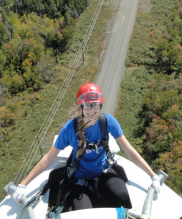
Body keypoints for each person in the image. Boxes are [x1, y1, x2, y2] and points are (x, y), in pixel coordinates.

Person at [12, 83, 160, 211]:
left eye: (95, 105)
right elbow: (48, 158)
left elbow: (129, 151)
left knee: (122, 195)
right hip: (80, 178)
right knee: (84, 213)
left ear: (100, 105)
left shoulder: (108, 122)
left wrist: (152, 176)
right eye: (88, 105)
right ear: (81, 106)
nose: (92, 109)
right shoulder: (70, 129)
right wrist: (23, 185)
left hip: (103, 172)